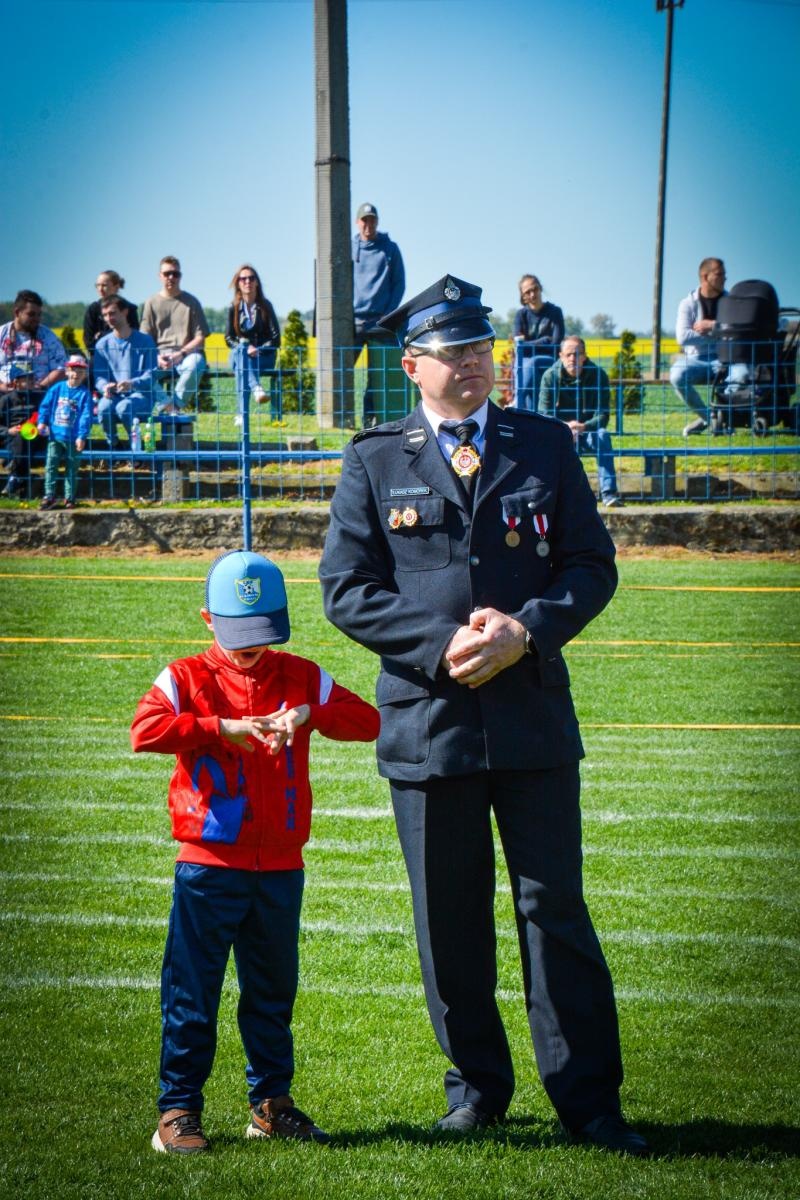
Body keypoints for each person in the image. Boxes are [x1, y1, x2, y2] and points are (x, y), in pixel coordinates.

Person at [319, 274, 649, 1157]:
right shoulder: (374, 459)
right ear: (411, 365)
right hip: (429, 723)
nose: (472, 363)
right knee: (449, 917)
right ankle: (475, 1091)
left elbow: (591, 565)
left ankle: (590, 1103)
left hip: (532, 719)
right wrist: (444, 646)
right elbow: (346, 589)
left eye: (481, 348)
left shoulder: (543, 444)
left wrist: (524, 631)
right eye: (452, 351)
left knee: (554, 911)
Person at [131, 549, 379, 1154]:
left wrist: (309, 714)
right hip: (207, 868)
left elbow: (368, 721)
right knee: (192, 993)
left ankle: (271, 1104)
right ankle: (178, 1109)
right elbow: (145, 730)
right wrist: (220, 728)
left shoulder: (301, 675)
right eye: (239, 633)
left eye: (263, 633)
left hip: (281, 869)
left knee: (272, 994)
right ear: (208, 620)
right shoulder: (184, 677)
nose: (251, 648)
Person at [539, 335, 624, 507]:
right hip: (560, 433)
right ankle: (549, 496)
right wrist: (565, 428)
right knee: (544, 441)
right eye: (568, 354)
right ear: (561, 356)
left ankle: (608, 494)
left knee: (603, 435)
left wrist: (583, 427)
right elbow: (544, 414)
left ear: (584, 356)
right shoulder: (549, 376)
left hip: (588, 431)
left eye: (577, 354)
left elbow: (603, 415)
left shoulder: (598, 375)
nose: (573, 358)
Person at [0, 290, 66, 497]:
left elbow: (61, 368)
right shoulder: (1, 334)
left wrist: (41, 385)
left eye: (39, 314)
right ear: (17, 312)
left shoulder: (48, 336)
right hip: (5, 395)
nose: (36, 319)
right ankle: (18, 469)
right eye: (31, 314)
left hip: (37, 396)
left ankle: (16, 472)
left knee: (27, 429)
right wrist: (3, 386)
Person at [352, 202, 406, 426]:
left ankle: (370, 419)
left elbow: (399, 284)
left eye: (372, 220)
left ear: (377, 222)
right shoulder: (348, 248)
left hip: (381, 322)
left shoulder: (390, 249)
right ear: (358, 222)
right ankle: (345, 417)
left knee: (377, 375)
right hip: (354, 321)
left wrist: (388, 314)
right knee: (341, 370)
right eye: (364, 220)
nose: (368, 224)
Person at [93, 295, 166, 460]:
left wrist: (132, 384)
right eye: (105, 315)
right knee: (103, 407)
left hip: (142, 396)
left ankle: (137, 451)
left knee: (124, 407)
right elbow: (99, 377)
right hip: (114, 396)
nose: (109, 318)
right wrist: (105, 386)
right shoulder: (102, 345)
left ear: (125, 312)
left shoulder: (145, 341)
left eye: (112, 313)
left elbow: (151, 374)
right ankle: (114, 448)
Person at [140, 256, 209, 410]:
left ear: (180, 276)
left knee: (196, 363)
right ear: (160, 276)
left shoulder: (192, 302)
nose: (171, 277)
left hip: (185, 356)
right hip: (158, 357)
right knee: (137, 370)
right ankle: (166, 404)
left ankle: (175, 407)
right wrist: (156, 357)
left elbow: (200, 338)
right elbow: (144, 338)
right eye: (167, 274)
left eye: (175, 274)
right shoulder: (151, 303)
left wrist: (181, 354)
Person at [670, 257, 727, 436]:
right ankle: (711, 419)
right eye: (719, 274)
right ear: (705, 277)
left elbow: (737, 330)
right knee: (677, 375)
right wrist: (718, 335)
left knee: (739, 377)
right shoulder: (687, 304)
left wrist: (712, 326)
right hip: (696, 360)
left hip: (725, 358)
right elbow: (683, 337)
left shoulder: (731, 302)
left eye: (724, 274)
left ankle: (719, 420)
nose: (724, 278)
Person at [224, 264, 282, 420]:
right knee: (241, 355)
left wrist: (259, 350)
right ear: (238, 283)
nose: (247, 281)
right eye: (243, 279)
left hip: (264, 357)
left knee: (241, 367)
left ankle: (241, 414)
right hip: (240, 354)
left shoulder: (266, 306)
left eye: (251, 278)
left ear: (257, 282)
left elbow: (276, 338)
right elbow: (228, 338)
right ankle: (257, 389)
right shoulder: (233, 308)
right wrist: (245, 349)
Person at [36, 353, 93, 510]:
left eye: (81, 372)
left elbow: (86, 416)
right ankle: (49, 495)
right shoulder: (57, 389)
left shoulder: (85, 394)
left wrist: (81, 436)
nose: (76, 374)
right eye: (73, 370)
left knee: (72, 468)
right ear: (67, 371)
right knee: (51, 465)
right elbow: (45, 406)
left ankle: (70, 497)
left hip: (74, 438)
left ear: (85, 375)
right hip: (55, 435)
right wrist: (42, 422)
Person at [512, 274, 565, 410]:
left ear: (540, 288)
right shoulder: (520, 315)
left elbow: (555, 345)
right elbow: (519, 346)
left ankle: (517, 402)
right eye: (527, 292)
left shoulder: (555, 312)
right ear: (522, 296)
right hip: (524, 360)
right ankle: (528, 416)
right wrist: (544, 341)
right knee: (527, 371)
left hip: (550, 359)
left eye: (535, 289)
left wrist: (528, 345)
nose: (532, 294)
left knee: (533, 363)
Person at [82, 270, 139, 362]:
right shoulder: (93, 310)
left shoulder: (129, 309)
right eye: (97, 285)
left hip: (126, 358)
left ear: (116, 287)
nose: (100, 289)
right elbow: (89, 342)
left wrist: (102, 335)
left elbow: (134, 336)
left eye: (104, 285)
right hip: (100, 358)